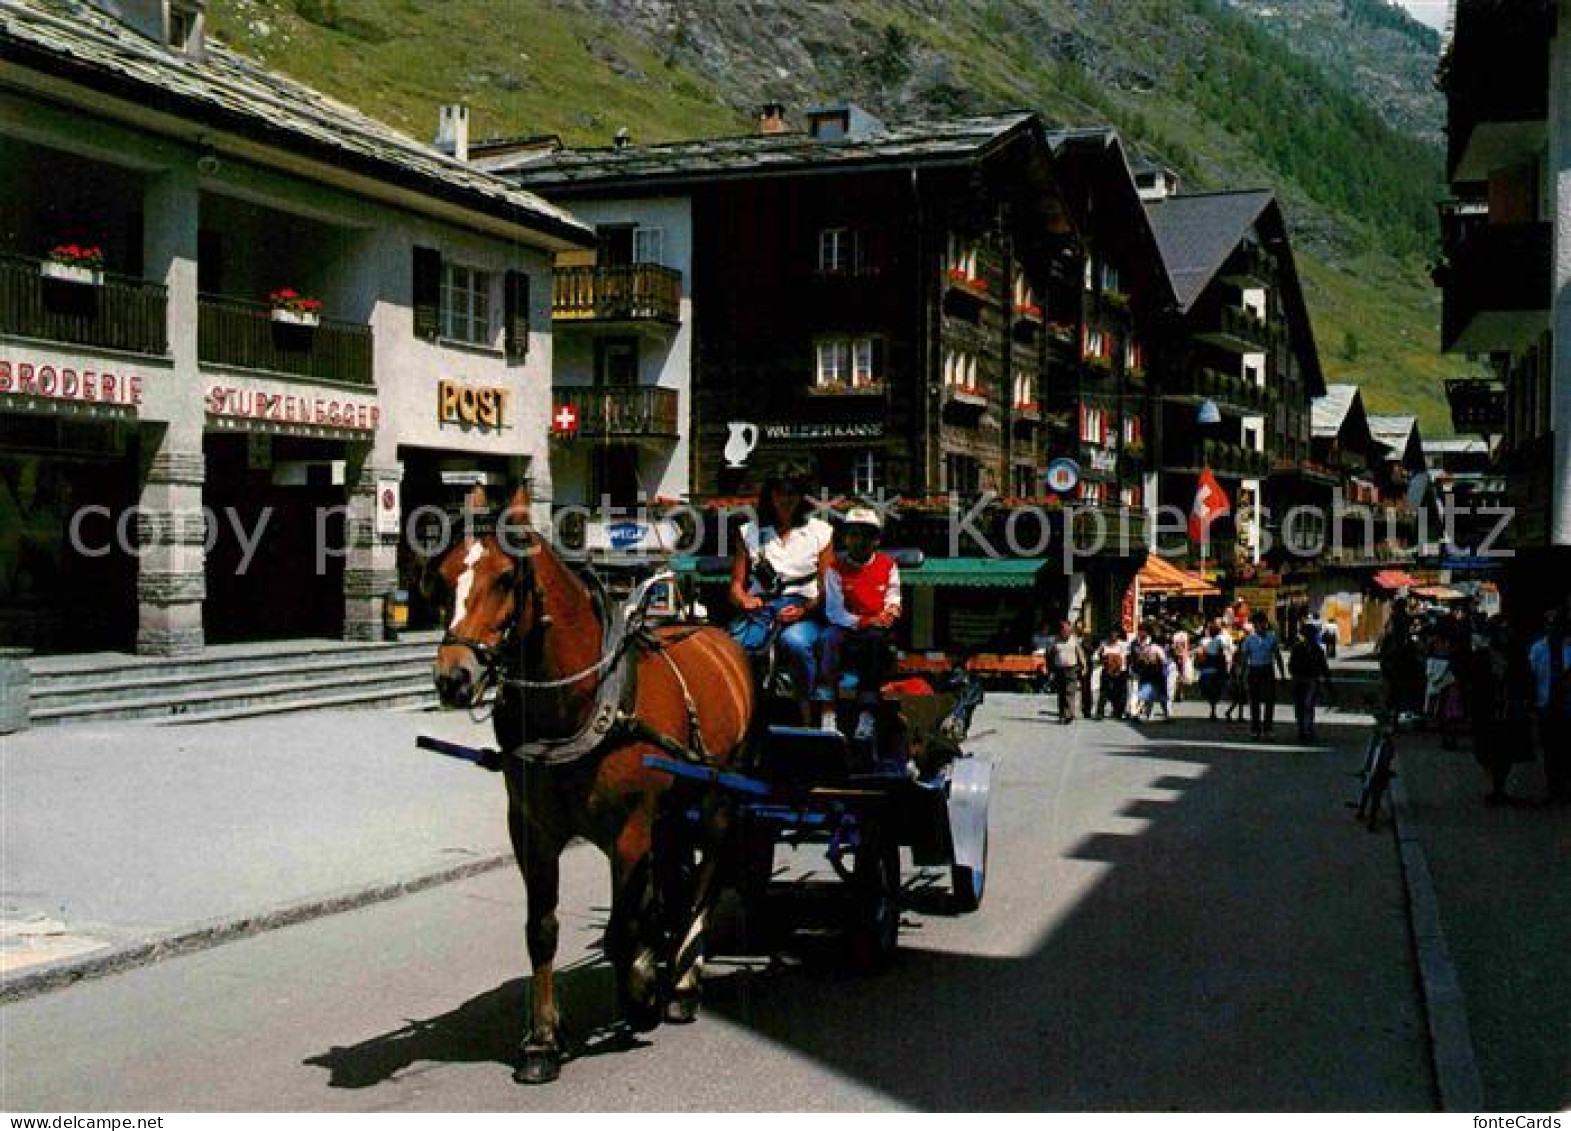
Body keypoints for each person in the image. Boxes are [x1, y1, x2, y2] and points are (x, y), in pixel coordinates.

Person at [729, 465, 834, 725]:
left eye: (792, 493)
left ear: (801, 497)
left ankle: (807, 715)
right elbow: (735, 587)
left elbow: (827, 589)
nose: (785, 500)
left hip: (805, 609)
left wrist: (804, 610)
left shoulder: (820, 532)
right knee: (733, 646)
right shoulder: (749, 533)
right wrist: (744, 600)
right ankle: (742, 713)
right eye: (780, 494)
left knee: (796, 643)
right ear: (771, 496)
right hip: (762, 609)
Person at [818, 506, 901, 742]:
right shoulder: (835, 569)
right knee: (827, 639)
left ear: (876, 539)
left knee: (876, 642)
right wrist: (864, 621)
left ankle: (867, 713)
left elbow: (893, 596)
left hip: (875, 629)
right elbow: (835, 612)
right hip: (846, 625)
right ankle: (828, 712)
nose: (860, 541)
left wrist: (891, 611)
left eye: (867, 535)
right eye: (854, 534)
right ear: (845, 538)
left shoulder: (888, 565)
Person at [1526, 607, 1571, 804]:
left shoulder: (1569, 649)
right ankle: (1554, 787)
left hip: (1567, 706)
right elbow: (1531, 677)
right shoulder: (1537, 649)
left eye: (1557, 625)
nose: (1553, 629)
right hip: (1545, 705)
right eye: (1550, 624)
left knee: (1566, 747)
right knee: (1550, 748)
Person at [1238, 612, 1286, 738]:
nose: (1260, 626)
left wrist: (1282, 674)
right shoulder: (1249, 639)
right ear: (1254, 625)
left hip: (1267, 670)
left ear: (1266, 623)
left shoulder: (1272, 637)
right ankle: (1255, 728)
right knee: (1254, 702)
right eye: (1258, 623)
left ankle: (1268, 728)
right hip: (1254, 670)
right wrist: (1242, 674)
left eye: (1262, 623)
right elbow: (1244, 658)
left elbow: (1278, 656)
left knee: (1269, 700)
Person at [1288, 620, 1332, 741]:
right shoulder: (1297, 649)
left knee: (1308, 705)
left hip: (1311, 680)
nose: (1309, 637)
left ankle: (1308, 728)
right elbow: (1291, 664)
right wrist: (1294, 676)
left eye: (1310, 635)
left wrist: (1328, 682)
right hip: (1299, 679)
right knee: (1299, 706)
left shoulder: (1318, 650)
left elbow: (1323, 666)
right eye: (1307, 635)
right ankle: (1302, 728)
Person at [1048, 620, 1088, 725]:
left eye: (1068, 630)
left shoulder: (1074, 640)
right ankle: (1062, 715)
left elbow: (1080, 654)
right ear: (1060, 631)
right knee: (1061, 693)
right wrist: (1050, 670)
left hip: (1071, 669)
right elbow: (1050, 656)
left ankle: (1069, 714)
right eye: (1064, 630)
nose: (1066, 632)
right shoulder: (1055, 641)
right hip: (1059, 669)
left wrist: (1084, 666)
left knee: (1070, 692)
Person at [1196, 619, 1229, 720]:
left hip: (1207, 669)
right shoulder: (1220, 640)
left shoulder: (1205, 641)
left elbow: (1200, 655)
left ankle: (1213, 710)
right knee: (1216, 690)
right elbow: (1223, 655)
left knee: (1210, 691)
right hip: (1216, 668)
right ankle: (1213, 710)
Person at [1094, 629, 1130, 720]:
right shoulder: (1103, 644)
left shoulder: (1123, 645)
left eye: (1115, 635)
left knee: (1119, 693)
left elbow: (1125, 658)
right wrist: (1102, 659)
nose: (1113, 637)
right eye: (1111, 635)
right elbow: (1095, 656)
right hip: (1107, 671)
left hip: (1120, 671)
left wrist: (1119, 669)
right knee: (1104, 692)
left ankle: (1118, 712)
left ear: (1118, 635)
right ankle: (1100, 713)